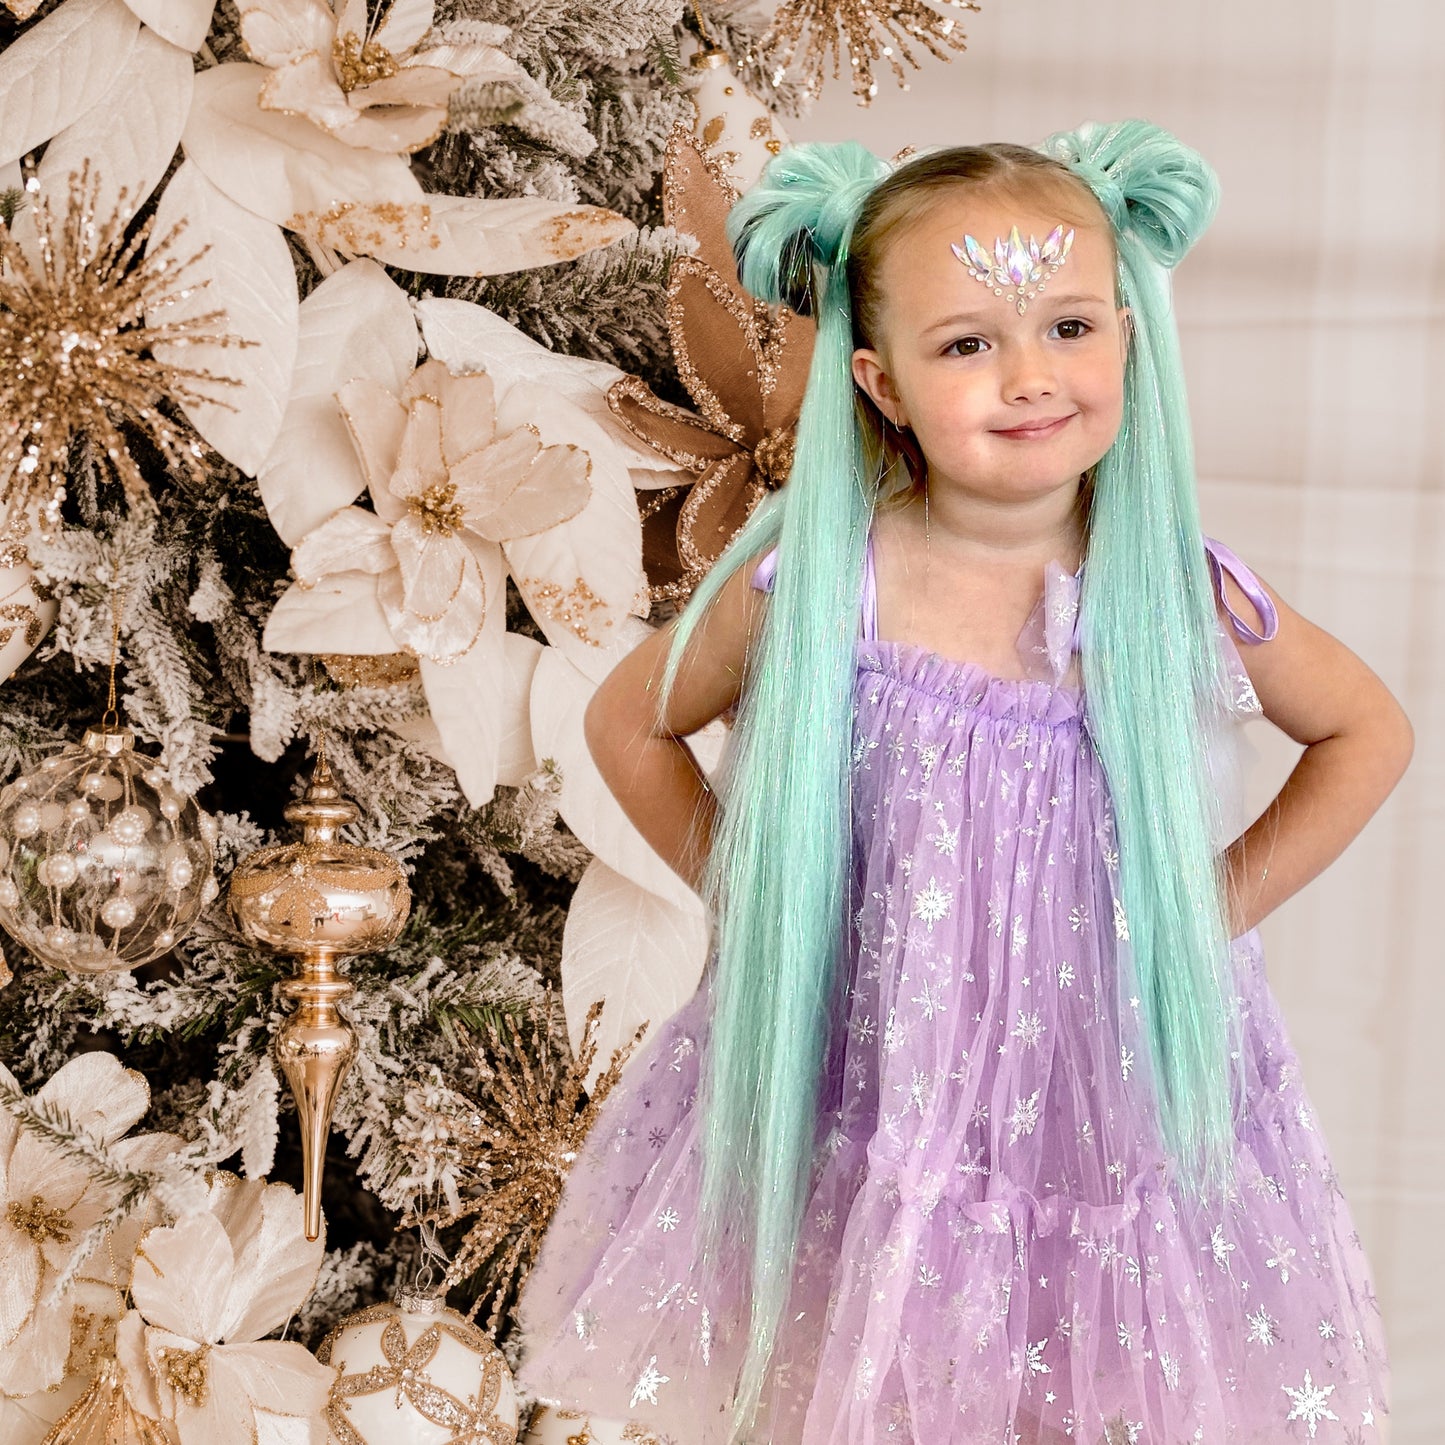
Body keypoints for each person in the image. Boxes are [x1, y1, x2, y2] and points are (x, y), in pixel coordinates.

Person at [514, 120, 1410, 1445]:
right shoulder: (826, 583)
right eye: (966, 344)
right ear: (880, 383)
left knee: (1090, 1383)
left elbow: (1366, 732)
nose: (1029, 376)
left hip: (1107, 1086)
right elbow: (628, 725)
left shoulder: (1174, 590)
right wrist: (761, 898)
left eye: (1068, 327)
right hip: (880, 1071)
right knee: (874, 1369)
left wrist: (1203, 909)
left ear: (1126, 336)